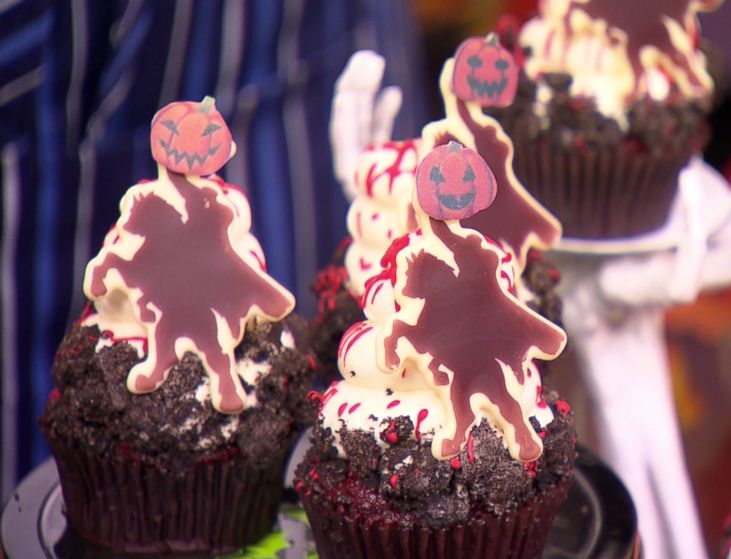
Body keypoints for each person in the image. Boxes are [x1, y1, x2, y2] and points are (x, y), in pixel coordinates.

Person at [0, 0, 428, 502]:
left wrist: (266, 295)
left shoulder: (226, 212)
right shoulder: (148, 206)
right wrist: (108, 272)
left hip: (321, 58)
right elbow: (128, 252)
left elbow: (235, 263)